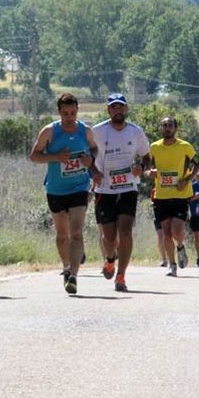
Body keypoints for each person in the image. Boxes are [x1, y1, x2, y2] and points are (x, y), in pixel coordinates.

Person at [29, 93, 97, 294]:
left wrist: (89, 161)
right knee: (61, 235)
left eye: (73, 113)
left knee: (76, 232)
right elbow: (34, 156)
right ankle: (67, 266)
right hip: (56, 189)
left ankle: (74, 276)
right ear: (59, 112)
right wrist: (56, 157)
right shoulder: (49, 131)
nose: (69, 117)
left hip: (79, 187)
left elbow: (94, 150)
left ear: (77, 111)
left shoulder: (86, 131)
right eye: (65, 113)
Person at [90, 93, 150, 292]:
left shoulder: (135, 131)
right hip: (104, 189)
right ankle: (109, 259)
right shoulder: (97, 131)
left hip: (128, 188)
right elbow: (86, 154)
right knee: (109, 237)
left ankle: (121, 275)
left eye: (120, 107)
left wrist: (141, 166)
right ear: (108, 110)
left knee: (125, 232)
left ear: (126, 109)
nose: (117, 110)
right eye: (113, 107)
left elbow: (146, 156)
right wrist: (94, 172)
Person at [147, 116, 199, 277]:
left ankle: (181, 246)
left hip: (180, 194)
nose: (167, 128)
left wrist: (187, 180)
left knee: (176, 230)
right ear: (160, 129)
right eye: (164, 125)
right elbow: (146, 167)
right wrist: (149, 173)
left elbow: (197, 163)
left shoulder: (185, 146)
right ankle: (172, 265)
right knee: (166, 233)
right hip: (161, 196)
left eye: (170, 125)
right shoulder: (154, 147)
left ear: (175, 129)